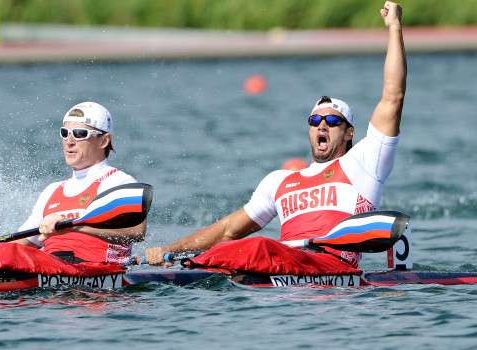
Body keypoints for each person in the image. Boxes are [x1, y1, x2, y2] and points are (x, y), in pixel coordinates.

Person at [145, 1, 406, 269]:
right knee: (241, 247)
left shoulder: (364, 163)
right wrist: (169, 248)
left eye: (332, 121)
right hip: (282, 275)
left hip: (330, 266)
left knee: (258, 245)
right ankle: (192, 265)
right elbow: (227, 230)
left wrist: (395, 28)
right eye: (315, 120)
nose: (322, 125)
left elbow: (392, 98)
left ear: (350, 132)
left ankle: (206, 265)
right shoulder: (279, 182)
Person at [0, 101, 146, 266]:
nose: (69, 140)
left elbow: (137, 231)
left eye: (80, 134)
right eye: (65, 133)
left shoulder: (119, 182)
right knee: (9, 254)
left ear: (104, 140)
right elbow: (16, 246)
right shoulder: (52, 191)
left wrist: (75, 225)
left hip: (98, 274)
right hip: (51, 273)